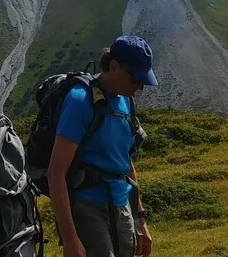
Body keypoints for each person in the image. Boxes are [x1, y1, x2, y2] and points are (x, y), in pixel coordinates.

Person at [49, 35, 157, 257]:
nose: (139, 87)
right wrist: (71, 240)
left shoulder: (126, 101)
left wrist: (140, 222)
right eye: (135, 79)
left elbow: (126, 162)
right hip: (88, 208)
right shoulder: (81, 101)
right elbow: (56, 172)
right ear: (114, 66)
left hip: (122, 206)